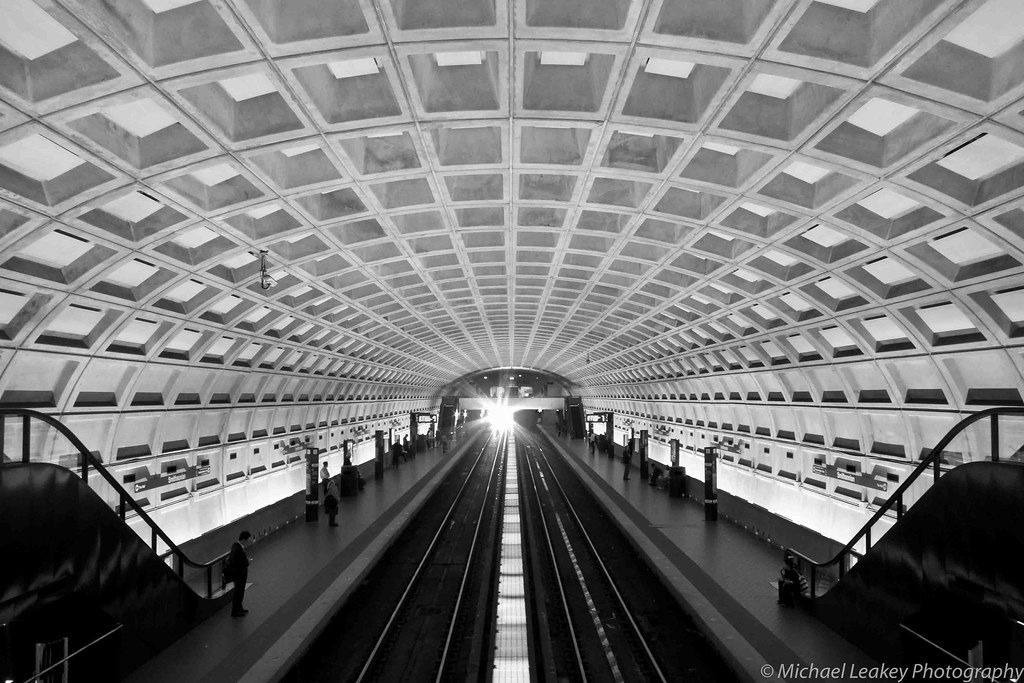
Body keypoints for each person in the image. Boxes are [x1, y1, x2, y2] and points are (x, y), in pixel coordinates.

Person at [226, 530, 252, 616]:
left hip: (239, 574)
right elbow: (238, 562)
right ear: (244, 539)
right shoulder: (238, 548)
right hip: (239, 574)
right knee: (238, 592)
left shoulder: (236, 546)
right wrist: (247, 562)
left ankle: (239, 608)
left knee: (240, 592)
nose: (248, 542)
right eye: (247, 540)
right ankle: (235, 611)